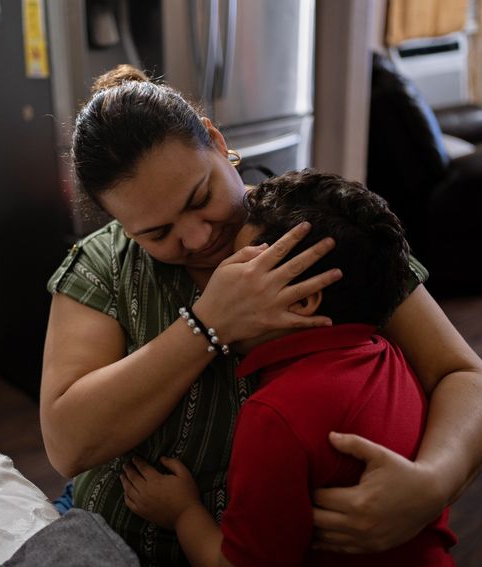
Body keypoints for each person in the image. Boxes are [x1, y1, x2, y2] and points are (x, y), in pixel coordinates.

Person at [41, 64, 482, 566]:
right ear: (123, 228)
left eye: (201, 198)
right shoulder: (105, 264)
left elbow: (465, 375)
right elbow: (67, 445)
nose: (197, 238)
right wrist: (205, 325)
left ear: (216, 142)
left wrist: (433, 481)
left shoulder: (314, 227)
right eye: (156, 233)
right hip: (123, 542)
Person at [120, 169, 458, 566]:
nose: (220, 283)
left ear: (302, 301)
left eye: (241, 269)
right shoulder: (392, 355)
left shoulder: (275, 416)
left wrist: (182, 513)